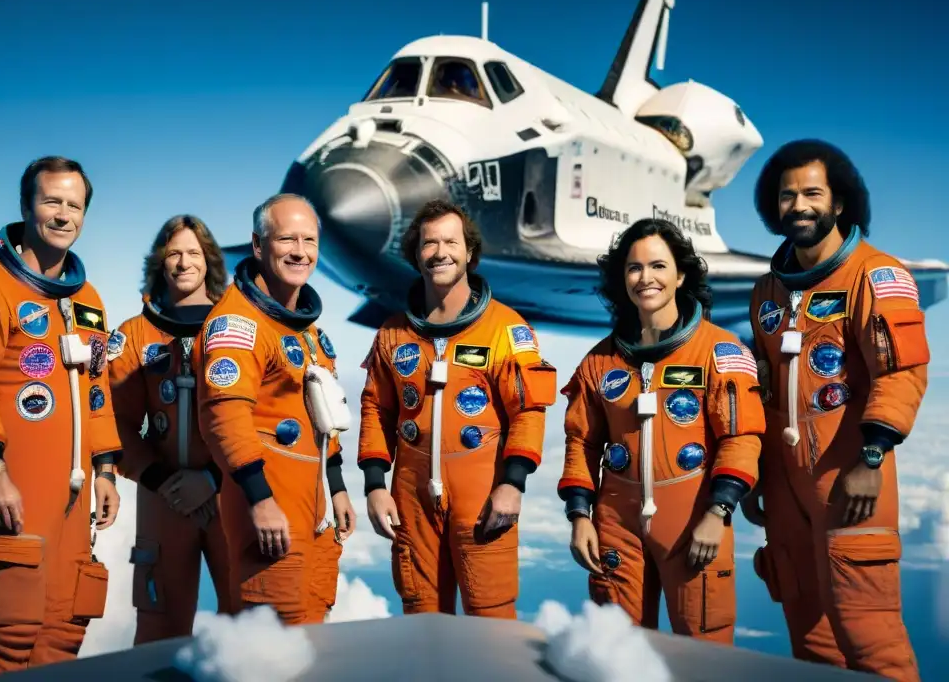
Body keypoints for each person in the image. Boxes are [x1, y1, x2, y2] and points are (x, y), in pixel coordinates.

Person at [742, 139, 925, 681]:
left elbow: (901, 371)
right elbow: (767, 392)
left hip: (849, 476)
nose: (798, 205)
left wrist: (873, 456)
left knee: (869, 635)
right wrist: (758, 476)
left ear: (839, 203)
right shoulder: (766, 293)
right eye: (786, 195)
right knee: (809, 634)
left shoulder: (875, 275)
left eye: (812, 193)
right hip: (782, 486)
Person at [0, 156, 122, 680]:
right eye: (52, 201)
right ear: (26, 206)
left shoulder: (88, 300)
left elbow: (96, 390)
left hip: (76, 497)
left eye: (74, 205)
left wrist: (105, 469)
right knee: (6, 632)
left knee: (64, 628)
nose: (63, 215)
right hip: (14, 489)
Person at [557, 218, 765, 644]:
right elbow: (582, 441)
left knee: (704, 655)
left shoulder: (720, 351)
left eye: (658, 266)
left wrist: (718, 512)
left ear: (681, 274)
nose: (645, 278)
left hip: (693, 520)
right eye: (634, 268)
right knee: (616, 651)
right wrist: (580, 516)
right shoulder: (600, 362)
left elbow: (741, 438)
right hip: (616, 521)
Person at [358, 199, 558, 618]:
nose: (440, 252)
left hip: (484, 491)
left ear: (469, 252)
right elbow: (376, 409)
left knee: (492, 615)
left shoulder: (507, 329)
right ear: (416, 255)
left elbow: (528, 411)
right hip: (411, 494)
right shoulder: (393, 333)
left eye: (451, 241)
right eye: (429, 243)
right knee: (420, 613)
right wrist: (375, 485)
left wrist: (513, 484)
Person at [194, 193, 356, 624]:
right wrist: (260, 499)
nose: (300, 251)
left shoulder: (306, 330)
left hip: (315, 504)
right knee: (274, 634)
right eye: (286, 239)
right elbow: (223, 419)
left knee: (311, 622)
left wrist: (336, 486)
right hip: (269, 506)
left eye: (310, 240)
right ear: (258, 245)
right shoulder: (238, 323)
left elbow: (322, 416)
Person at [107, 214, 237, 643]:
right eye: (173, 253)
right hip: (164, 497)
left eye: (194, 253)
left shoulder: (238, 331)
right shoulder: (134, 335)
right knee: (159, 626)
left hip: (229, 495)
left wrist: (214, 478)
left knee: (247, 621)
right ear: (159, 262)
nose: (183, 263)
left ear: (210, 261)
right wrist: (161, 479)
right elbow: (115, 422)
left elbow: (260, 422)